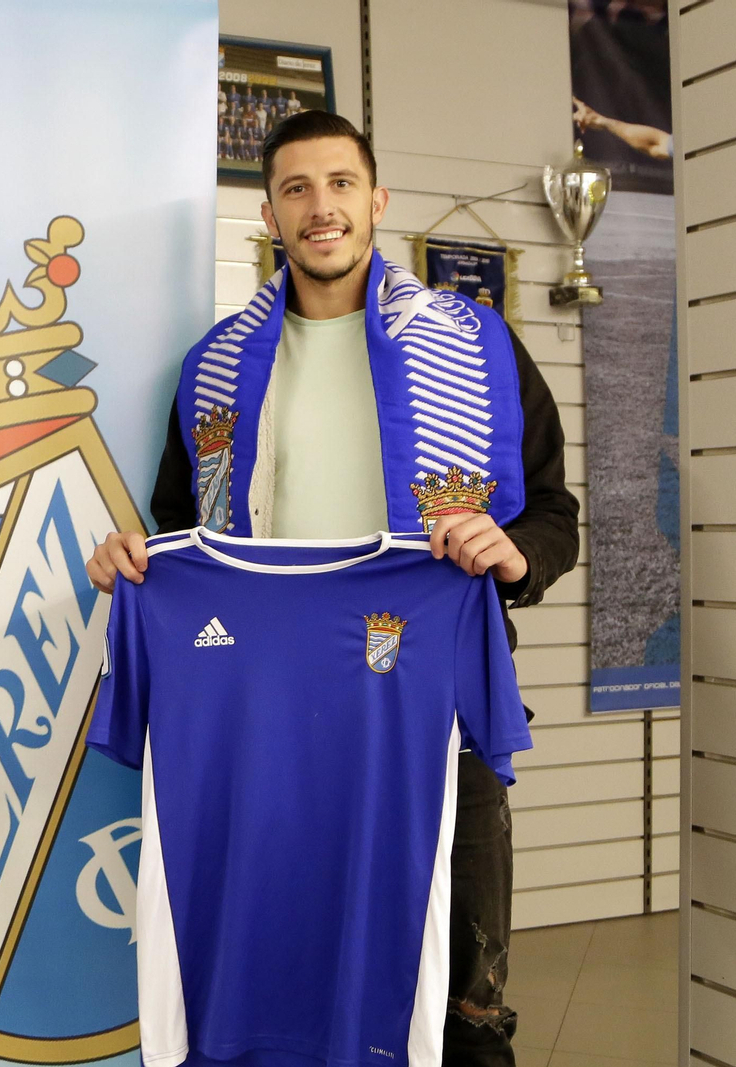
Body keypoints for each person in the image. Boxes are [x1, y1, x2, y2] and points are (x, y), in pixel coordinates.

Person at [86, 110, 579, 1067]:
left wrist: (514, 555)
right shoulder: (215, 368)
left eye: (341, 185)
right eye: (298, 190)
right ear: (269, 215)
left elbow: (553, 512)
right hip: (262, 719)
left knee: (465, 998)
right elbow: (178, 530)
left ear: (377, 201)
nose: (323, 209)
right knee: (281, 961)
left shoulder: (475, 345)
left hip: (432, 707)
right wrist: (132, 563)